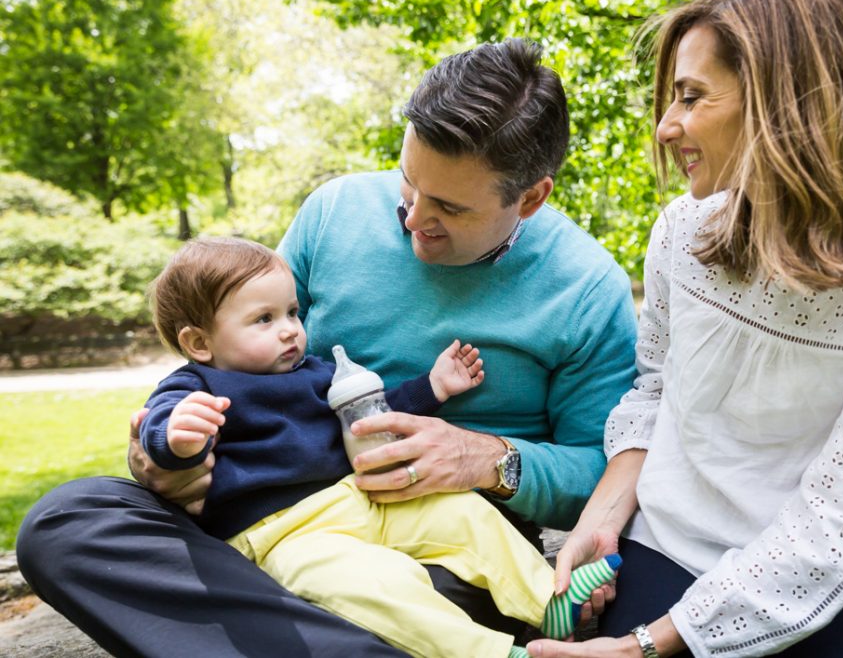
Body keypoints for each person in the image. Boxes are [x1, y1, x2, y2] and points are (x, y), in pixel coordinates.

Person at [16, 38, 639, 657]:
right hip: (276, 520)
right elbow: (236, 347)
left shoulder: (586, 287)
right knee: (64, 522)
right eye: (408, 181)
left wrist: (489, 459)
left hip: (439, 531)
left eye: (449, 207)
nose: (412, 217)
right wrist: (168, 461)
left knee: (399, 595)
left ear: (530, 197)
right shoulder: (333, 211)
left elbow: (599, 470)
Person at [525, 0, 843, 657]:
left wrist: (642, 648)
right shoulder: (683, 232)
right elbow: (654, 392)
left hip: (839, 597)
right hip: (670, 553)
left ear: (785, 103)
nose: (666, 126)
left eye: (690, 96)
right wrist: (604, 513)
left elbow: (838, 528)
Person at [137, 236, 620, 658]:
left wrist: (433, 388)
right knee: (380, 585)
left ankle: (550, 601)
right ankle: (496, 652)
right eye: (263, 319)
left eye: (291, 313)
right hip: (285, 537)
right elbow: (156, 430)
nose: (289, 329)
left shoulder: (310, 371)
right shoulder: (195, 385)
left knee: (461, 514)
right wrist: (176, 439)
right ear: (199, 342)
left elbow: (373, 409)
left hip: (362, 499)